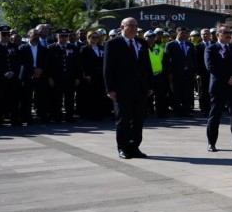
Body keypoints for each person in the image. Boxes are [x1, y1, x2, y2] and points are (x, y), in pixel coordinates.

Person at [103, 17, 153, 159]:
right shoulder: (112, 44)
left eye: (135, 25)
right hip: (121, 89)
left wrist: (150, 85)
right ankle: (122, 147)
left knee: (138, 120)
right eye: (129, 25)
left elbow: (146, 66)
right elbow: (108, 68)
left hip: (140, 88)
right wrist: (110, 89)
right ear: (121, 27)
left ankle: (134, 146)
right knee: (123, 120)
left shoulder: (141, 43)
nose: (133, 28)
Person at [205, 25, 232, 151]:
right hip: (219, 87)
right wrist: (227, 79)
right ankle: (211, 143)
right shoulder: (211, 49)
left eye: (230, 33)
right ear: (218, 34)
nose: (229, 35)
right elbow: (211, 67)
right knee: (215, 115)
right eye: (225, 33)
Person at [0, 26, 24, 126]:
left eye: (7, 34)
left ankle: (14, 119)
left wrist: (12, 71)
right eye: (3, 34)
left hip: (12, 77)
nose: (5, 36)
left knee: (13, 98)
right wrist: (4, 72)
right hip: (0, 77)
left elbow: (17, 61)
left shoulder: (13, 46)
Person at [47, 29, 81, 123]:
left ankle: (69, 116)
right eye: (62, 36)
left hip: (70, 78)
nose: (64, 38)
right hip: (56, 78)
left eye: (66, 36)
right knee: (56, 98)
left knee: (69, 98)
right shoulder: (51, 48)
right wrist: (49, 77)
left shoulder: (73, 48)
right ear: (57, 36)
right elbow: (48, 65)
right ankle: (57, 116)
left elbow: (77, 64)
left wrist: (77, 77)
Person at [18, 29, 50, 124]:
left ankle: (42, 116)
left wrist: (40, 69)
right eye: (34, 34)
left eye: (37, 34)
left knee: (41, 97)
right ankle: (27, 117)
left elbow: (46, 62)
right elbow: (22, 62)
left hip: (40, 75)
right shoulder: (22, 48)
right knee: (27, 98)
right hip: (28, 75)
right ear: (29, 35)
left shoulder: (44, 49)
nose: (36, 36)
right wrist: (33, 69)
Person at [164, 26, 196, 117]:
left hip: (188, 73)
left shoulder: (190, 45)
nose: (185, 35)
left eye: (186, 33)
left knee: (187, 92)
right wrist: (168, 73)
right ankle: (178, 111)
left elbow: (194, 59)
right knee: (176, 93)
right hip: (175, 73)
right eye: (182, 33)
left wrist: (195, 71)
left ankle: (186, 111)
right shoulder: (170, 45)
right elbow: (166, 61)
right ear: (177, 33)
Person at [79, 30, 109, 121]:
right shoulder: (84, 49)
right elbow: (82, 63)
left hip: (101, 75)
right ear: (88, 38)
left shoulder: (102, 48)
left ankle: (100, 113)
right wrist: (86, 74)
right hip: (90, 75)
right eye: (93, 37)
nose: (95, 39)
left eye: (97, 37)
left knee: (101, 94)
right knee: (91, 95)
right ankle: (90, 114)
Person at [194, 28, 213, 116]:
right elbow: (196, 61)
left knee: (213, 91)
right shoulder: (198, 46)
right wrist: (197, 73)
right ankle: (204, 109)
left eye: (207, 34)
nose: (205, 35)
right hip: (202, 73)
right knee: (203, 92)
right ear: (201, 36)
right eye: (203, 34)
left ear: (210, 35)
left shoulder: (215, 45)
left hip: (213, 73)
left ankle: (212, 108)